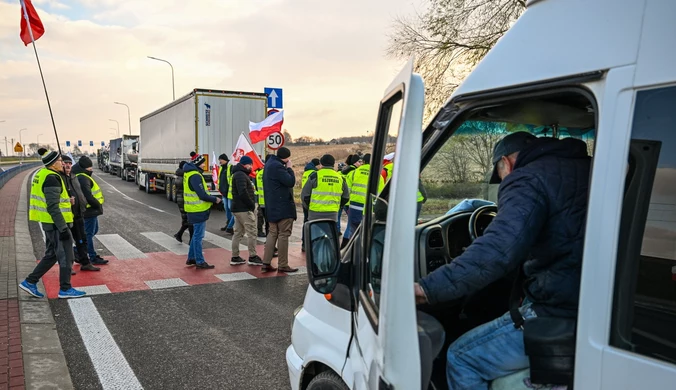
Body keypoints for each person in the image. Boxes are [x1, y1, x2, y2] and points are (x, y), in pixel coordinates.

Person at [414, 132, 591, 389]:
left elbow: (497, 250)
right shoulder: (586, 167)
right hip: (589, 300)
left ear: (506, 163)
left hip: (557, 307)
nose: (504, 180)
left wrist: (427, 288)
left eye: (500, 174)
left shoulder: (527, 179)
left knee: (461, 357)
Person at [20, 148, 86, 299]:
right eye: (60, 161)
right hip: (57, 225)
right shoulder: (52, 178)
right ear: (52, 163)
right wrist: (63, 228)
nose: (63, 163)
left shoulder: (44, 174)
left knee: (51, 255)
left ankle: (30, 281)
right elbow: (52, 206)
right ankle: (65, 288)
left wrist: (67, 200)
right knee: (67, 257)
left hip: (50, 223)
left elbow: (53, 200)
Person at [262, 147, 298, 273]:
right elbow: (290, 181)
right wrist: (289, 168)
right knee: (284, 234)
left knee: (272, 233)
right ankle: (283, 264)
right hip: (282, 207)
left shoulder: (268, 165)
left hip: (271, 206)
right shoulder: (278, 167)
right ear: (286, 157)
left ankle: (266, 262)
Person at [184, 152, 221, 269]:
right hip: (198, 210)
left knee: (195, 235)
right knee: (198, 237)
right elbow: (202, 195)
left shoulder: (189, 174)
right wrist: (215, 199)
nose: (205, 164)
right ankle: (199, 261)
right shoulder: (195, 176)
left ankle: (191, 258)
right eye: (203, 162)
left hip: (193, 209)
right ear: (198, 164)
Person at [63, 155, 100, 272]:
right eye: (65, 163)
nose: (68, 165)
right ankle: (67, 267)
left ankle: (85, 262)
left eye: (70, 163)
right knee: (64, 242)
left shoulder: (73, 177)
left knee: (82, 239)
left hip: (79, 212)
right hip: (68, 214)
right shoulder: (58, 178)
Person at [342, 154, 383, 248]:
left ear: (363, 162)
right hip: (369, 208)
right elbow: (380, 194)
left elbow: (347, 190)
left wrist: (347, 205)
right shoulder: (378, 176)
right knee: (367, 231)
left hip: (354, 206)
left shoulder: (354, 173)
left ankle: (350, 250)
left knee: (353, 229)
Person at [229, 156, 264, 266]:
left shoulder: (238, 174)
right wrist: (251, 205)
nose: (251, 167)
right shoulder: (241, 175)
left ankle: (235, 256)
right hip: (244, 209)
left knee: (238, 233)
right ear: (246, 164)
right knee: (252, 233)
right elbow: (243, 192)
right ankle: (252, 256)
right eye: (250, 164)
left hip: (237, 208)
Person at [75, 156, 108, 265]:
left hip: (91, 211)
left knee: (93, 231)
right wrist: (97, 205)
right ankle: (91, 256)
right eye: (89, 167)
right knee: (88, 234)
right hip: (89, 210)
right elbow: (88, 196)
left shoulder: (83, 176)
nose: (91, 169)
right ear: (84, 168)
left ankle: (78, 250)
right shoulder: (83, 178)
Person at [301, 154, 349, 223]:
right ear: (333, 164)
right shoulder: (340, 178)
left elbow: (304, 196)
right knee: (330, 232)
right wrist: (337, 206)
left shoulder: (315, 176)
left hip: (315, 213)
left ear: (321, 164)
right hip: (333, 214)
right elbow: (346, 197)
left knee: (315, 233)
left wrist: (309, 207)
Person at [300, 158, 320, 252]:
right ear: (317, 165)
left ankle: (304, 243)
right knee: (313, 224)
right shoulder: (314, 174)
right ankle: (310, 244)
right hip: (312, 202)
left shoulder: (306, 172)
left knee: (306, 222)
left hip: (305, 201)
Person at [173, 161, 193, 244]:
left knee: (187, 220)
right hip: (184, 201)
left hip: (181, 200)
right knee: (189, 221)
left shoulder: (179, 176)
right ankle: (191, 240)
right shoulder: (183, 177)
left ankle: (179, 235)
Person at [255, 155, 271, 238]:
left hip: (260, 199)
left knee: (260, 218)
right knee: (268, 219)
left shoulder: (259, 173)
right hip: (269, 200)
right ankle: (268, 232)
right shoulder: (270, 173)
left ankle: (259, 231)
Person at [219, 153, 235, 234]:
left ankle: (230, 225)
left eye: (220, 159)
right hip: (224, 192)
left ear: (224, 159)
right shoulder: (221, 168)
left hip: (229, 193)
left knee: (231, 209)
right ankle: (229, 224)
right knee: (227, 209)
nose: (220, 161)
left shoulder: (230, 167)